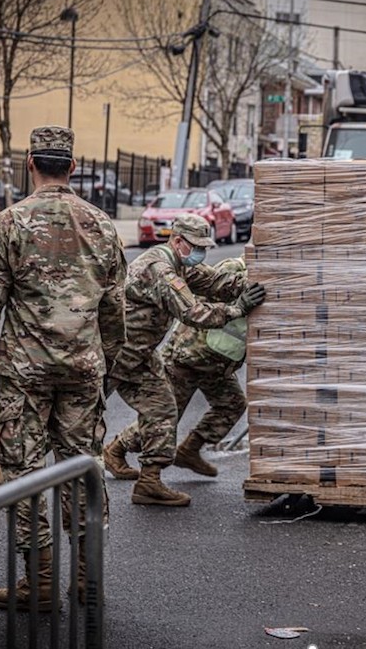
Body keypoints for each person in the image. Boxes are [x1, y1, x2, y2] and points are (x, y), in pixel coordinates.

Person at [0, 126, 126, 610]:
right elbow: (116, 309)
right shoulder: (102, 225)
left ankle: (39, 585)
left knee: (25, 473)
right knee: (84, 471)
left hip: (24, 373)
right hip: (83, 370)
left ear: (30, 162)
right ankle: (86, 580)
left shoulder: (9, 224)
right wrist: (108, 366)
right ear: (72, 167)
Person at [102, 214, 265, 506]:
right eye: (196, 246)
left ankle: (149, 482)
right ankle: (22, 474)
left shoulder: (179, 265)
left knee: (163, 409)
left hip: (140, 355)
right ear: (178, 241)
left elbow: (214, 281)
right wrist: (237, 309)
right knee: (78, 418)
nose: (201, 252)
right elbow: (194, 313)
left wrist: (255, 284)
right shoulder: (160, 270)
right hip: (118, 356)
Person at [162, 255, 249, 477]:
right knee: (164, 417)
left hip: (216, 361)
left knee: (232, 404)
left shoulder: (263, 280)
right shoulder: (231, 267)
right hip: (191, 355)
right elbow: (200, 307)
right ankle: (119, 449)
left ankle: (189, 450)